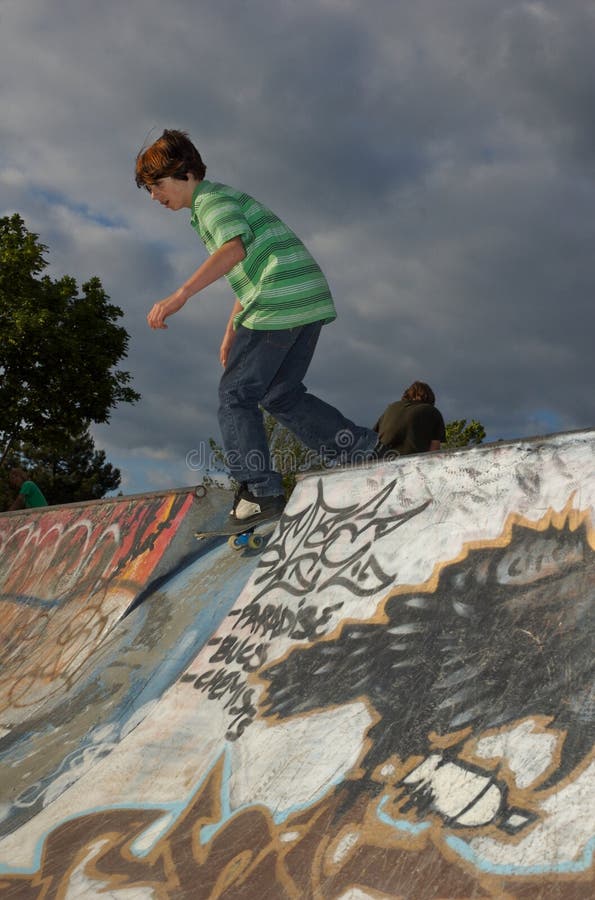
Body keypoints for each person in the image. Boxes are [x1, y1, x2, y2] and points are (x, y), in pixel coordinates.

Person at [135, 129, 388, 524]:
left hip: (280, 297)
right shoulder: (222, 200)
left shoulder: (211, 202)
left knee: (236, 395)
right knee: (280, 393)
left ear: (184, 172)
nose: (154, 197)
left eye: (157, 186)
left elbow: (232, 250)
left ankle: (259, 490)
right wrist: (232, 328)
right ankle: (359, 449)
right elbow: (247, 264)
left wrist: (180, 295)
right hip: (303, 297)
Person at [373, 381, 446, 456]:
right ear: (429, 397)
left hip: (380, 461)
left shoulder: (391, 407)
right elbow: (434, 452)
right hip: (412, 463)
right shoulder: (432, 411)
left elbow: (373, 437)